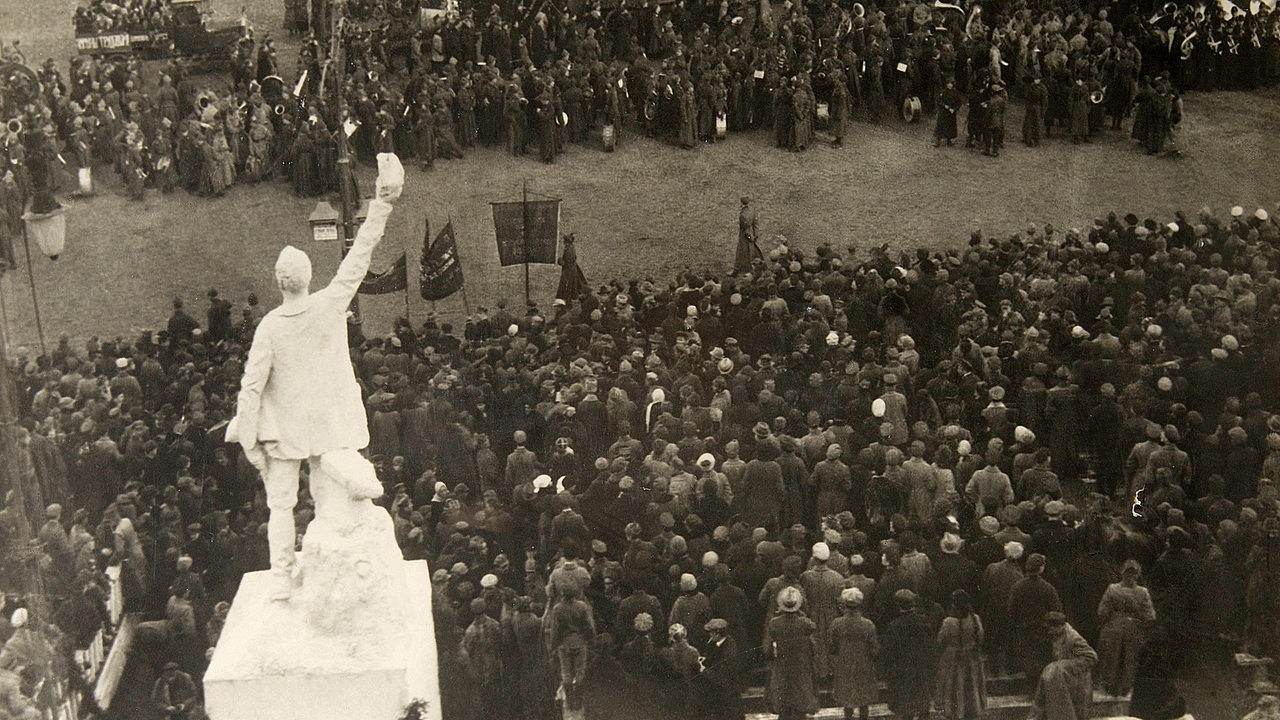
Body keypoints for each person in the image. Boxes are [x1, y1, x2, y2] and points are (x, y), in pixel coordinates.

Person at [227, 153, 404, 600]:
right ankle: (333, 556)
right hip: (327, 426)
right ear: (307, 278)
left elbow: (250, 385)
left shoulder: (268, 326)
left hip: (284, 432)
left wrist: (248, 436)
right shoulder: (328, 304)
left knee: (281, 507)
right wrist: (382, 203)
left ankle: (282, 578)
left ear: (278, 282)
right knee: (327, 501)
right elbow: (360, 255)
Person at [1096, 559, 1155, 697]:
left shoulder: (1113, 589)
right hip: (1133, 627)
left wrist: (1108, 620)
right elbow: (1150, 616)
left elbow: (1102, 611)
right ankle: (1125, 687)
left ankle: (1111, 686)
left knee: (1112, 656)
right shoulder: (1142, 592)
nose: (1130, 577)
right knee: (1130, 658)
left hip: (1114, 626)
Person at [879, 589, 937, 720]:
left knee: (906, 707)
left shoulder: (894, 626)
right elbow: (931, 646)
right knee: (923, 704)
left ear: (898, 605)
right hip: (922, 668)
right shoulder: (924, 621)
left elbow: (889, 651)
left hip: (903, 670)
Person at [1030, 612, 1098, 720]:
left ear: (1059, 626)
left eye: (1051, 628)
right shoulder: (1058, 635)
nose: (1049, 631)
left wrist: (1063, 667)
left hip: (1076, 681)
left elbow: (1091, 657)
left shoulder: (1073, 638)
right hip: (1062, 680)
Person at [765, 586, 818, 720]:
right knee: (800, 698)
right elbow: (812, 627)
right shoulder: (804, 623)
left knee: (783, 698)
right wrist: (800, 613)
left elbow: (769, 648)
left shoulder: (774, 623)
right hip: (800, 665)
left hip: (782, 666)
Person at [828, 587, 878, 720]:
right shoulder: (868, 624)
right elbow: (874, 649)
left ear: (844, 604)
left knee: (847, 699)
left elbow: (832, 647)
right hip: (864, 664)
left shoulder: (836, 624)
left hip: (844, 664)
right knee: (864, 700)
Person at [936, 590, 986, 720]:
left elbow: (941, 640)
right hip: (972, 657)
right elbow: (980, 638)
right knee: (971, 684)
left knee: (954, 685)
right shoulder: (975, 619)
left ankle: (956, 711)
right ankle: (972, 709)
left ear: (954, 604)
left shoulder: (948, 622)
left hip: (953, 658)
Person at [556, 234, 588, 302]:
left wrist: (560, 261)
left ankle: (567, 299)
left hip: (568, 270)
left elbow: (568, 262)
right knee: (571, 284)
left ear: (567, 241)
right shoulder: (570, 248)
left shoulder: (569, 249)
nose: (563, 242)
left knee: (568, 284)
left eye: (564, 240)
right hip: (571, 269)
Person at [735, 196, 761, 273]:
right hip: (752, 233)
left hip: (745, 235)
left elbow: (745, 230)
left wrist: (750, 237)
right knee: (752, 249)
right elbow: (756, 224)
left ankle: (739, 269)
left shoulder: (743, 215)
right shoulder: (752, 211)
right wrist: (755, 235)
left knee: (742, 250)